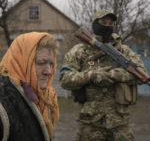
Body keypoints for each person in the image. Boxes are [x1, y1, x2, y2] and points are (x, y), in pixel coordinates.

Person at [59, 10, 147, 141]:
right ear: (95, 24)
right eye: (103, 22)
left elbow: (141, 74)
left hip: (120, 124)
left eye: (111, 23)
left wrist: (114, 74)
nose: (107, 26)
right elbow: (64, 79)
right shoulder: (80, 51)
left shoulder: (123, 51)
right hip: (90, 124)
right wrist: (90, 75)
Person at [0, 32, 59, 141]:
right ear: (20, 63)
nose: (49, 71)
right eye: (41, 63)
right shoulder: (3, 107)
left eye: (51, 64)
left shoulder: (45, 98)